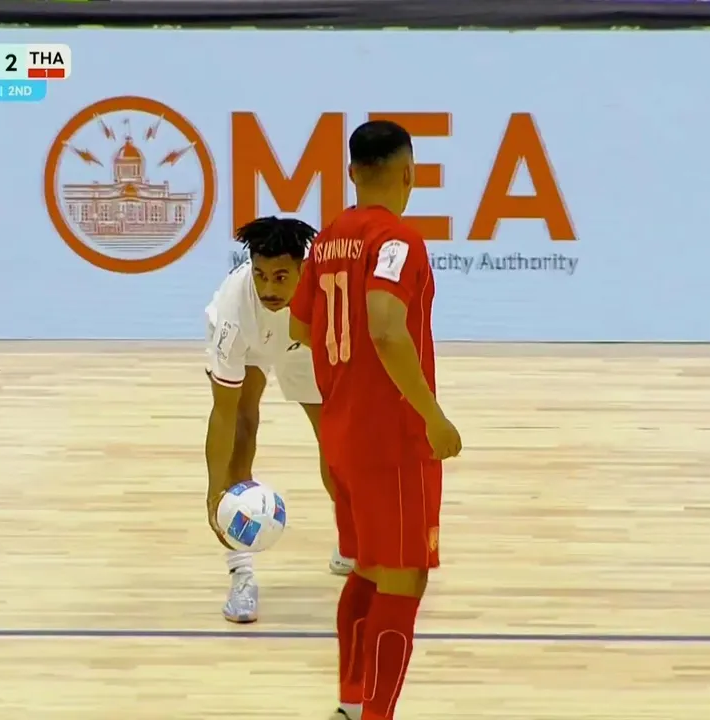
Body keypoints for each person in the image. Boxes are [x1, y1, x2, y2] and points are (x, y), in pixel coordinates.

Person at [288, 120, 462, 720]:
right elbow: (387, 327)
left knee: (367, 567)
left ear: (352, 172)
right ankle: (376, 715)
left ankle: (350, 703)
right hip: (392, 439)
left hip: (342, 431)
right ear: (410, 172)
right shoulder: (398, 240)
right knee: (405, 578)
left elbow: (300, 326)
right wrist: (432, 416)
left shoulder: (327, 240)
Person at [204, 215, 354, 624]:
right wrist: (215, 492)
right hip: (251, 345)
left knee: (335, 438)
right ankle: (241, 576)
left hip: (301, 341)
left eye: (281, 277)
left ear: (304, 269)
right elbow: (224, 413)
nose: (269, 288)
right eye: (260, 275)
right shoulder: (234, 313)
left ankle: (352, 542)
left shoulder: (327, 295)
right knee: (243, 428)